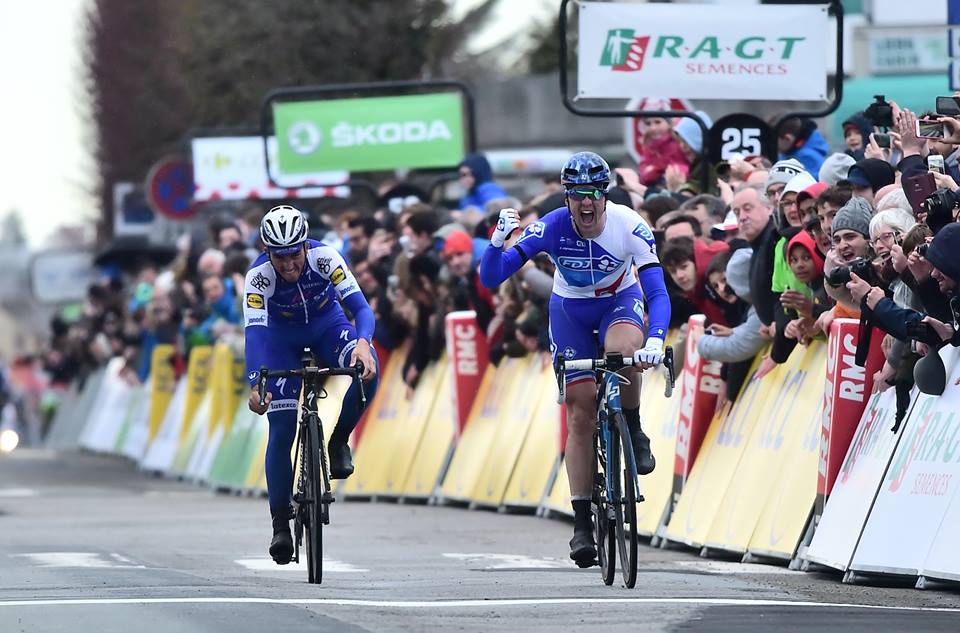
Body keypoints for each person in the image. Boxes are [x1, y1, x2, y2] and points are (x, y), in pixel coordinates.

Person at [478, 151, 670, 567]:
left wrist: (655, 338)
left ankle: (633, 426)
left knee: (623, 355)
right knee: (580, 413)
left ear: (605, 196)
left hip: (619, 300)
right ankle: (583, 523)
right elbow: (493, 276)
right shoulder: (550, 226)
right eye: (577, 195)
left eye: (594, 195)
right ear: (566, 197)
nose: (586, 204)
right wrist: (497, 245)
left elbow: (656, 291)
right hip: (569, 311)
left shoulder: (629, 226)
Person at [243, 205, 379, 566]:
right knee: (282, 427)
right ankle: (280, 524)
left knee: (369, 369)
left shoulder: (325, 258)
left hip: (327, 326)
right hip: (280, 341)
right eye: (278, 256)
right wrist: (256, 382)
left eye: (293, 254)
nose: (288, 265)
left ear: (305, 246)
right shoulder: (258, 278)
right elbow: (255, 335)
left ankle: (337, 441)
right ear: (267, 252)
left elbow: (361, 309)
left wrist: (363, 342)